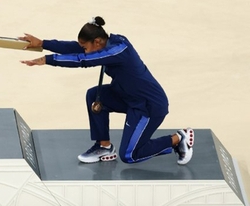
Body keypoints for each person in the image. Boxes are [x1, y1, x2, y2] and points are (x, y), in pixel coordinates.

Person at [18, 17, 194, 166]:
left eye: (85, 46)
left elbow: (83, 60)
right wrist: (42, 43)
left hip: (149, 106)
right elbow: (77, 49)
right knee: (94, 95)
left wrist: (48, 60)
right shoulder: (105, 43)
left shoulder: (118, 50)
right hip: (127, 97)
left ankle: (178, 139)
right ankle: (104, 147)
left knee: (129, 155)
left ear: (97, 42)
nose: (84, 49)